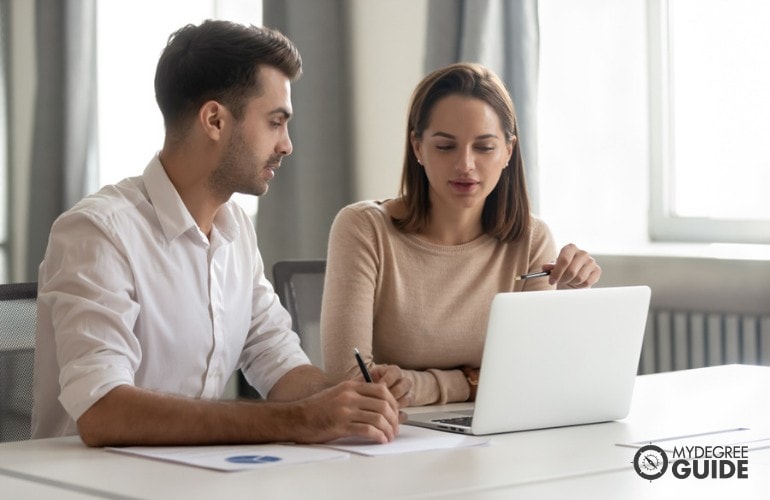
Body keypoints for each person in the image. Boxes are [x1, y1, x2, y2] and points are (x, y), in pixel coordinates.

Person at [31, 20, 410, 447]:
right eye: (274, 122)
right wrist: (298, 420)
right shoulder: (97, 233)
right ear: (214, 119)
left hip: (200, 480)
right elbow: (103, 412)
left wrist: (351, 398)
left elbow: (277, 360)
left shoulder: (236, 230)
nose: (287, 145)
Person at [321, 63, 601, 407]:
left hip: (496, 431)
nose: (465, 165)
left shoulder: (532, 239)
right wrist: (475, 381)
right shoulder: (364, 228)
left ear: (508, 151)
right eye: (445, 147)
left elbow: (530, 375)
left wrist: (424, 385)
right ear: (418, 147)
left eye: (484, 147)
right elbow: (347, 380)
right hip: (393, 433)